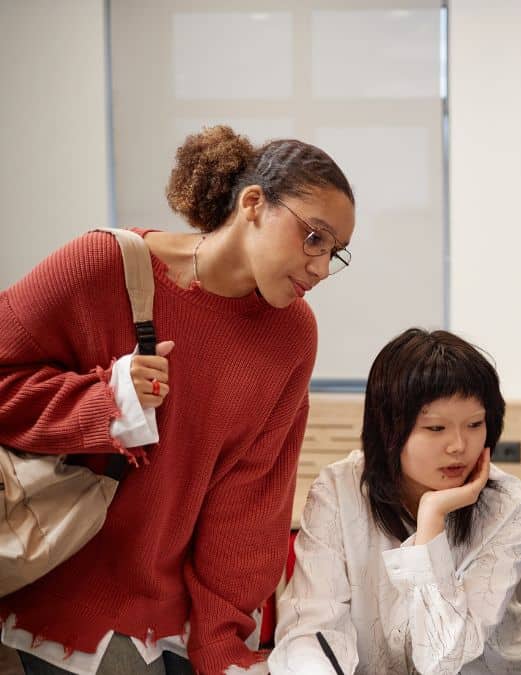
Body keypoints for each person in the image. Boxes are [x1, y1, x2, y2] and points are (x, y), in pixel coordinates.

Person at [0, 125, 356, 674]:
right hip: (69, 600)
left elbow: (250, 505)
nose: (320, 267)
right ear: (254, 203)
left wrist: (224, 651)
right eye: (314, 237)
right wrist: (105, 400)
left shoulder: (292, 336)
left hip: (180, 621)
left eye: (335, 252)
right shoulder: (104, 265)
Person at [269, 329, 521, 675]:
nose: (458, 445)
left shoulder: (507, 505)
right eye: (436, 428)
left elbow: (442, 659)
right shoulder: (338, 489)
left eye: (474, 424)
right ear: (388, 428)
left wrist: (432, 521)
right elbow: (310, 631)